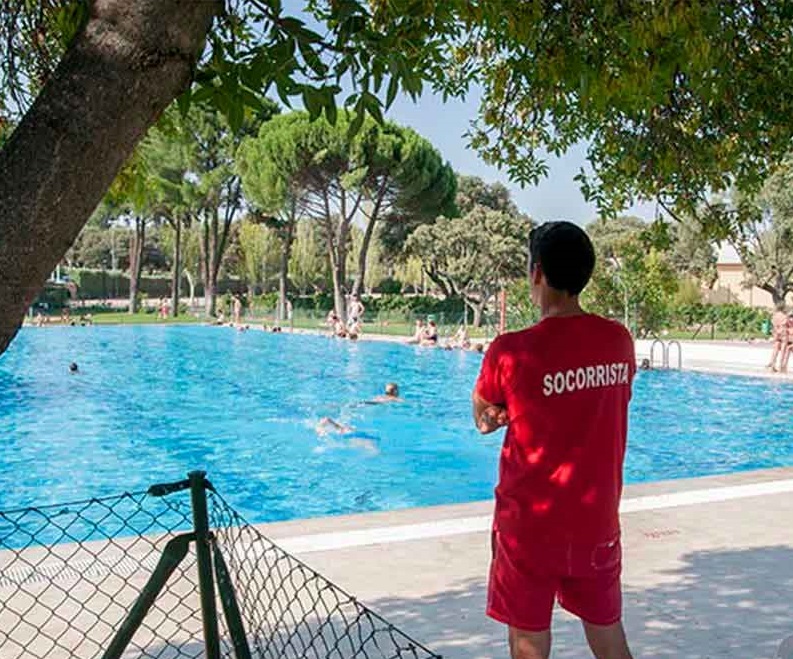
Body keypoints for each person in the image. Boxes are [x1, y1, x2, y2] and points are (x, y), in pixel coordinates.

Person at [472, 221, 635, 659]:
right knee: (608, 635)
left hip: (529, 526)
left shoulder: (510, 350)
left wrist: (506, 408)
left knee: (529, 642)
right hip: (596, 520)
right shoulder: (618, 341)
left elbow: (484, 420)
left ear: (537, 272)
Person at [768, 307, 789, 372]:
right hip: (783, 333)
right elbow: (785, 324)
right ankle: (781, 366)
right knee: (783, 350)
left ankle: (772, 365)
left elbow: (773, 325)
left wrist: (776, 331)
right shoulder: (785, 316)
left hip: (777, 333)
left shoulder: (775, 316)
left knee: (775, 349)